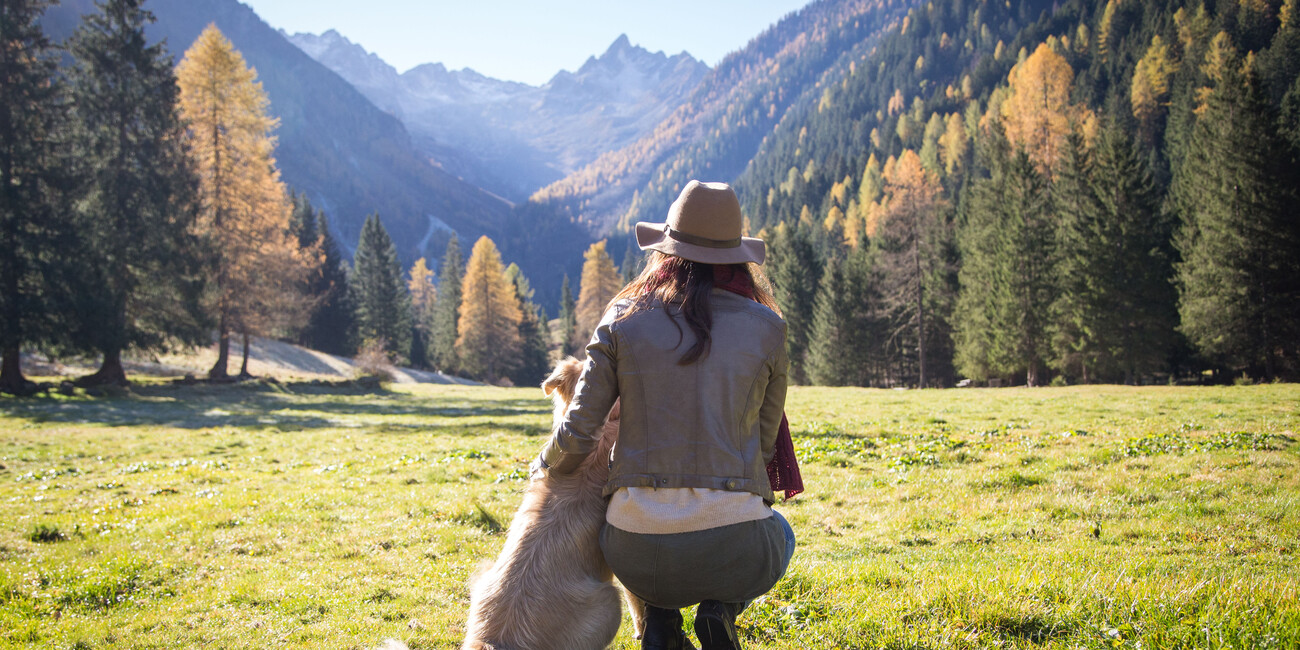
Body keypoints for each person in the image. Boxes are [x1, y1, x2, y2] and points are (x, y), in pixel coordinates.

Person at [530, 180, 796, 650]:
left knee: (649, 537)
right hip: (735, 545)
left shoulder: (621, 317)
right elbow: (766, 444)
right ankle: (720, 608)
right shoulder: (770, 329)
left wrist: (544, 466)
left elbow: (579, 432)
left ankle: (660, 621)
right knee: (782, 536)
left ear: (666, 251)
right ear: (736, 258)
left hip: (634, 551)